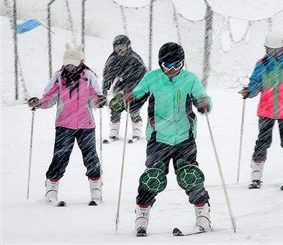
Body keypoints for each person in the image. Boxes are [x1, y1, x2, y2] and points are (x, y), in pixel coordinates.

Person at [127, 42, 212, 237]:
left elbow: (202, 97)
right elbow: (137, 96)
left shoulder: (190, 79)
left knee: (190, 175)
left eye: (177, 65)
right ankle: (141, 216)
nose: (173, 70)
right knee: (152, 177)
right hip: (159, 138)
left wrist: (204, 103)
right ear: (161, 64)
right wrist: (131, 99)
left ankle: (203, 215)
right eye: (168, 66)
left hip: (185, 137)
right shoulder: (152, 78)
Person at [27, 43, 107, 206]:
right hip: (64, 123)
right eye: (67, 64)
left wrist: (100, 101)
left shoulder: (89, 76)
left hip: (86, 124)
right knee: (60, 157)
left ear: (81, 61)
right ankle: (51, 189)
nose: (70, 67)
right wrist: (39, 103)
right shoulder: (58, 77)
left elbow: (94, 97)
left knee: (91, 157)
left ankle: (96, 190)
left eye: (73, 63)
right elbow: (49, 97)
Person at [239, 31, 283, 189]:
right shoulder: (261, 64)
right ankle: (256, 176)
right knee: (262, 142)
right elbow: (255, 84)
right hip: (266, 110)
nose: (274, 54)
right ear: (266, 49)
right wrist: (248, 92)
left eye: (277, 51)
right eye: (271, 51)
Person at [102, 35, 147, 141]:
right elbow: (107, 74)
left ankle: (136, 129)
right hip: (119, 86)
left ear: (128, 47)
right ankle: (114, 129)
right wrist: (105, 88)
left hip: (135, 87)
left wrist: (133, 88)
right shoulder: (113, 59)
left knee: (133, 108)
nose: (119, 51)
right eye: (117, 48)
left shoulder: (134, 58)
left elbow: (144, 75)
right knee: (116, 105)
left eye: (122, 48)